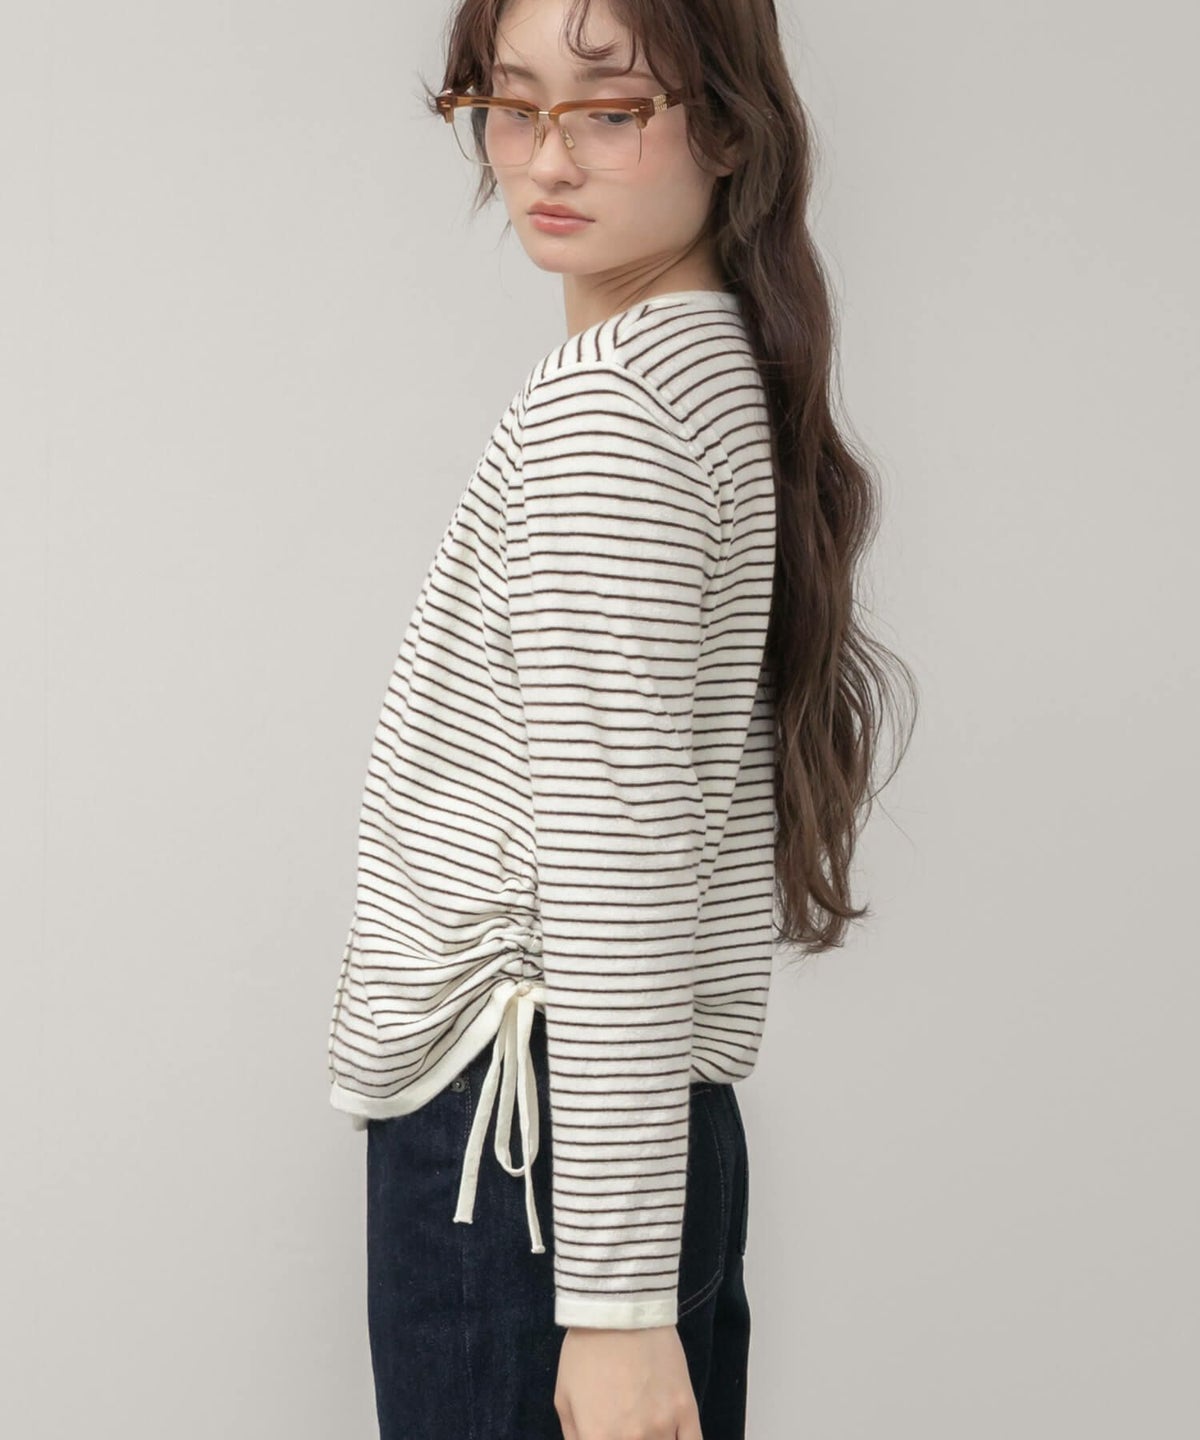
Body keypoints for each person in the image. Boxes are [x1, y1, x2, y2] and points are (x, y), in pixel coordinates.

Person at [327, 2, 918, 1437]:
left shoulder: (612, 412)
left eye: (609, 110)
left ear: (730, 127)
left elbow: (617, 866)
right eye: (509, 103)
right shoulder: (707, 368)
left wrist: (615, 1304)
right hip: (617, 1136)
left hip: (525, 1144)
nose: (546, 156)